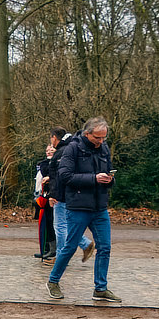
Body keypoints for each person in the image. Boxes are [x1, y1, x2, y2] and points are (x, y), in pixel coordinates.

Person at [46, 117, 119, 303]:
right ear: (87, 134)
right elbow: (65, 176)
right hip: (78, 206)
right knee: (70, 247)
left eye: (104, 137)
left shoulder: (104, 148)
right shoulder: (72, 149)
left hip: (99, 207)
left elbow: (109, 171)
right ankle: (53, 281)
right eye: (98, 138)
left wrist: (110, 180)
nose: (101, 141)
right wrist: (94, 178)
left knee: (105, 247)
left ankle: (100, 288)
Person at [47, 128, 94, 264]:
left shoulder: (62, 152)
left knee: (60, 226)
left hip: (61, 196)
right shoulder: (74, 148)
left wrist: (53, 194)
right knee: (68, 225)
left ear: (54, 138)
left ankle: (61, 257)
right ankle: (84, 244)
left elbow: (58, 176)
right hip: (72, 195)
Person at [33, 142, 57, 264]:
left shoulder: (53, 164)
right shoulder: (43, 163)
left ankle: (53, 250)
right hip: (42, 196)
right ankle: (46, 248)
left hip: (50, 197)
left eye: (52, 149)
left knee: (52, 224)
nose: (49, 150)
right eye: (47, 149)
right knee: (45, 223)